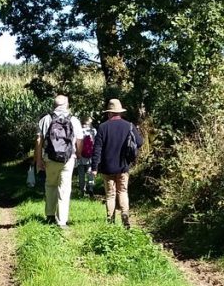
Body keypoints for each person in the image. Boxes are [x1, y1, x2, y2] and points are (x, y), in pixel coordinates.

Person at [91, 98, 143, 229]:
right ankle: (125, 214)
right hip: (123, 166)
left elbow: (97, 149)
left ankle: (110, 220)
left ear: (109, 113)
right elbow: (140, 142)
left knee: (110, 194)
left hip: (107, 167)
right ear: (120, 112)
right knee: (123, 191)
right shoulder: (129, 126)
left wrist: (94, 167)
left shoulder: (103, 127)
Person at [35, 94, 83, 227]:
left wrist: (38, 160)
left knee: (50, 185)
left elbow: (39, 140)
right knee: (65, 188)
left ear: (54, 105)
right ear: (67, 105)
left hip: (50, 159)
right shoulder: (74, 120)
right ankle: (61, 221)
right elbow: (79, 140)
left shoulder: (46, 119)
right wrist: (78, 154)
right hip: (68, 159)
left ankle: (50, 216)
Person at [77, 117, 96, 198]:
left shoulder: (79, 130)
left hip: (80, 156)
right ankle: (90, 188)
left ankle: (82, 190)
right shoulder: (94, 131)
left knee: (81, 174)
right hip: (90, 156)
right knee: (90, 172)